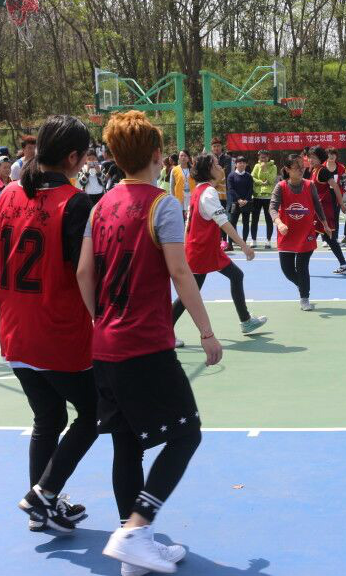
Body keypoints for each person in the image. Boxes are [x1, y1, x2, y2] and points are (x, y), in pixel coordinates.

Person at [77, 111, 220, 574]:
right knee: (186, 434)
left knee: (127, 444)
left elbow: (84, 272)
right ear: (158, 155)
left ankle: (133, 549)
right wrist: (206, 331)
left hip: (105, 342)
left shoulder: (99, 206)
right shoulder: (163, 206)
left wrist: (100, 318)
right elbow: (180, 271)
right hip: (145, 344)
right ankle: (136, 530)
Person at [0, 114, 98, 534]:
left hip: (15, 330)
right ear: (73, 157)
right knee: (95, 413)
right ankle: (44, 494)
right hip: (58, 331)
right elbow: (87, 273)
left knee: (48, 418)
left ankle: (42, 507)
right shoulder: (75, 204)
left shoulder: (9, 194)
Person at [173, 153, 267, 336]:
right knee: (190, 294)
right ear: (209, 170)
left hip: (204, 250)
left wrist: (185, 247)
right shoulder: (208, 193)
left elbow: (188, 223)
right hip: (201, 251)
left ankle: (246, 321)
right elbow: (224, 222)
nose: (220, 167)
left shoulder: (199, 190)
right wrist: (244, 246)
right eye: (216, 164)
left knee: (236, 276)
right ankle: (165, 330)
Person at [271, 154, 330, 310]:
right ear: (287, 169)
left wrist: (325, 225)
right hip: (286, 233)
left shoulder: (310, 185)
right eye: (297, 167)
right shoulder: (281, 187)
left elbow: (317, 206)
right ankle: (303, 286)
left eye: (302, 167)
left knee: (302, 267)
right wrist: (279, 223)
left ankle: (304, 298)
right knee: (287, 270)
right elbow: (272, 208)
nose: (301, 170)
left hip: (306, 233)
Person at [309, 146, 346, 274]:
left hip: (323, 210)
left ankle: (301, 265)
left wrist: (342, 204)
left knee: (311, 237)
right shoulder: (314, 170)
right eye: (310, 157)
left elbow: (336, 187)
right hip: (318, 209)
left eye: (313, 157)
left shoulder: (323, 171)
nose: (310, 160)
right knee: (329, 239)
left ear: (320, 158)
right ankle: (344, 265)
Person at [249, 150, 277, 249]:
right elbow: (252, 178)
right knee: (254, 219)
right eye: (261, 157)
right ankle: (253, 240)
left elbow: (272, 180)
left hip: (268, 197)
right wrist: (261, 182)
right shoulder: (256, 166)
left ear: (268, 157)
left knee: (269, 220)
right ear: (259, 158)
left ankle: (268, 241)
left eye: (265, 157)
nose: (263, 159)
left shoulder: (273, 167)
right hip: (256, 196)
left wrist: (265, 170)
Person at [225, 155, 254, 246]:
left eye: (244, 163)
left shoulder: (249, 176)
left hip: (246, 203)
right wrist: (238, 199)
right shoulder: (231, 176)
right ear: (236, 164)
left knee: (246, 223)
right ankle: (230, 244)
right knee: (232, 224)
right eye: (240, 162)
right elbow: (231, 189)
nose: (242, 164)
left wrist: (246, 200)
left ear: (246, 164)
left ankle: (243, 243)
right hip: (234, 203)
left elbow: (250, 189)